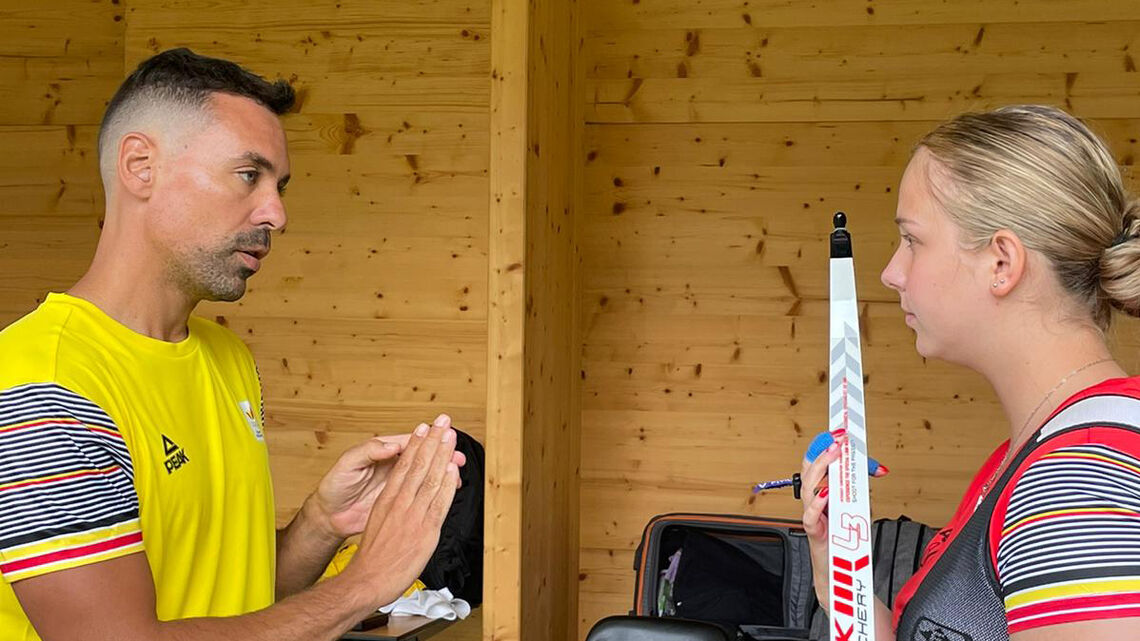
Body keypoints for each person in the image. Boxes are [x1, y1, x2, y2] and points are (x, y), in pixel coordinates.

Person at [0, 48, 465, 641]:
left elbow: (234, 603)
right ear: (140, 166)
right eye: (249, 175)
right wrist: (365, 584)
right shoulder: (44, 385)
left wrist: (321, 524)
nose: (276, 213)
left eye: (279, 186)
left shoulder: (227, 358)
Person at [801, 105, 1140, 640]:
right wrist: (838, 570)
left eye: (913, 240)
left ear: (1001, 263)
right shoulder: (1032, 454)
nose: (892, 273)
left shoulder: (1079, 478)